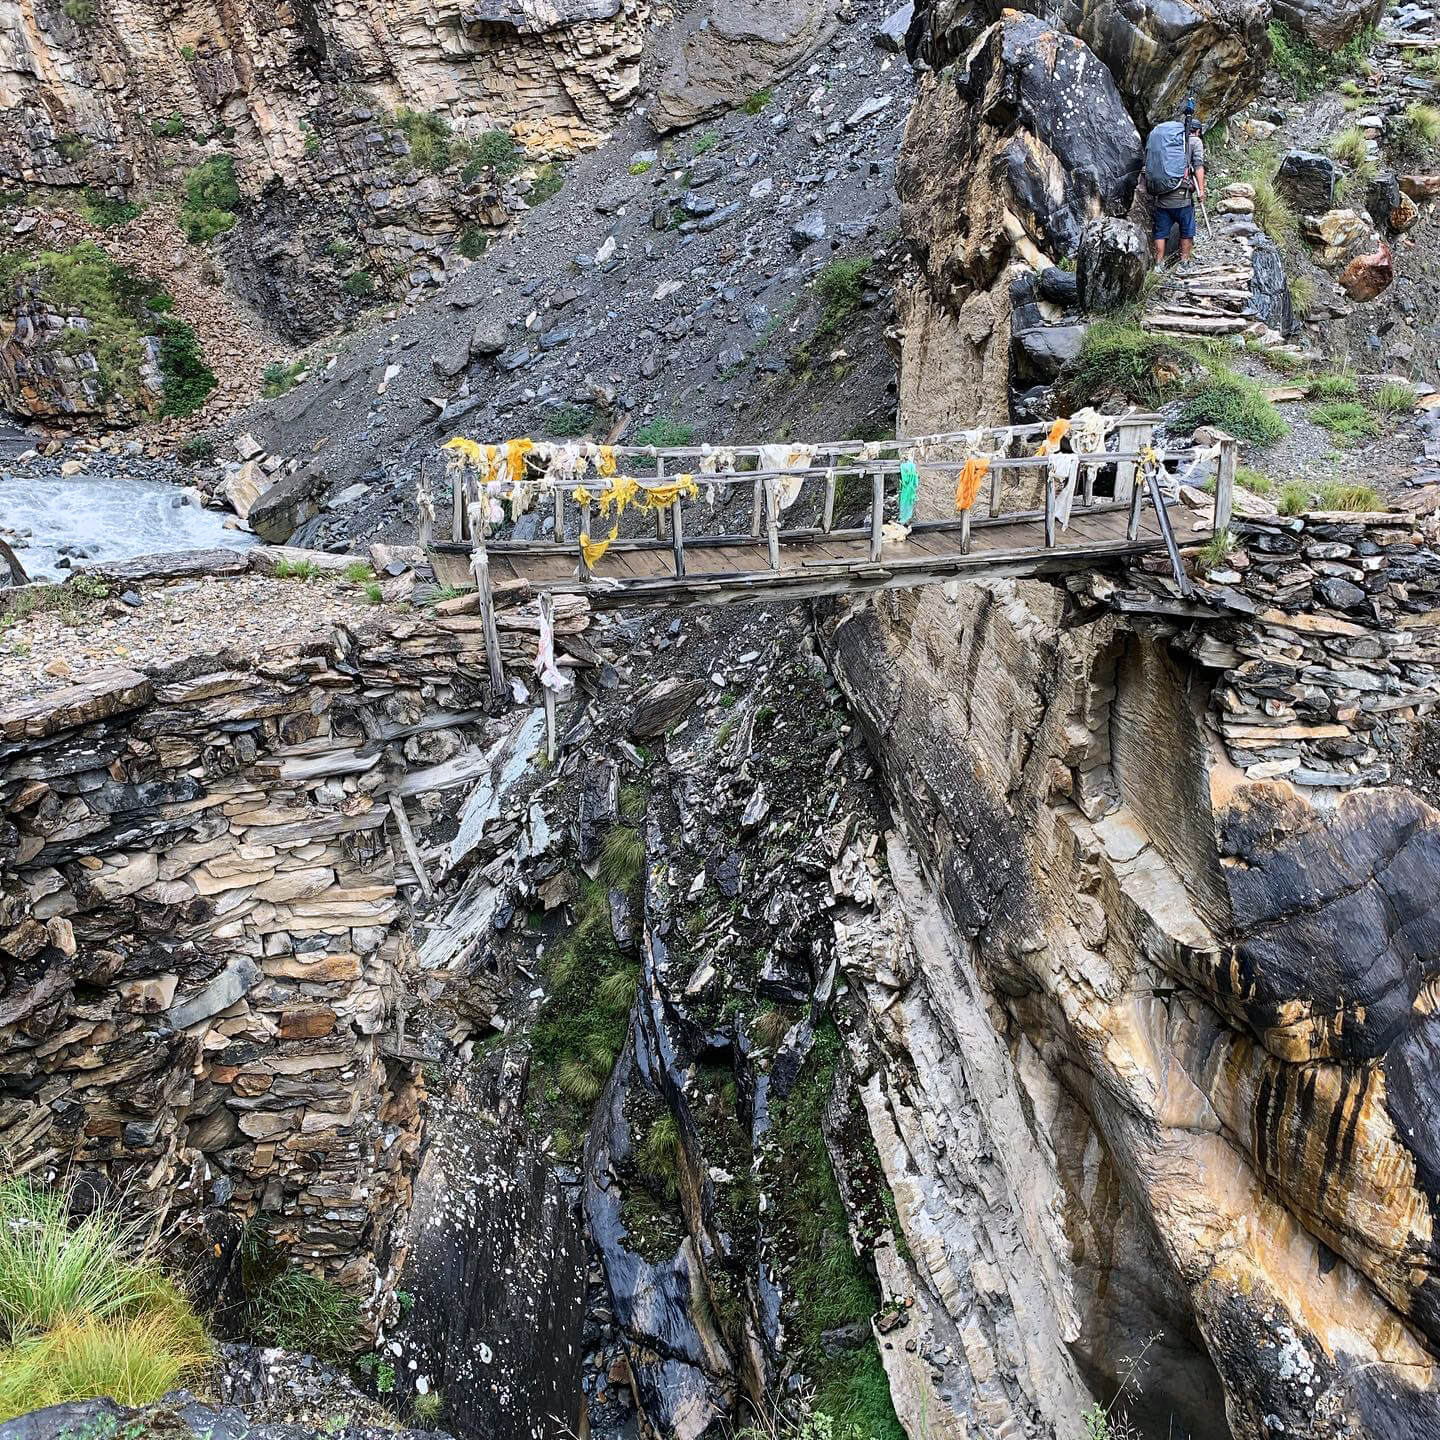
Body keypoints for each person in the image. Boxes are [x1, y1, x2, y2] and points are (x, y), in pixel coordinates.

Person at [1152, 121, 1205, 266]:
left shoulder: (1169, 142)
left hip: (1162, 197)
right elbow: (1198, 166)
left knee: (1161, 232)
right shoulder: (1194, 142)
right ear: (1198, 131)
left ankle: (1158, 264)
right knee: (1187, 231)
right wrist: (1201, 190)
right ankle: (1184, 262)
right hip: (1183, 198)